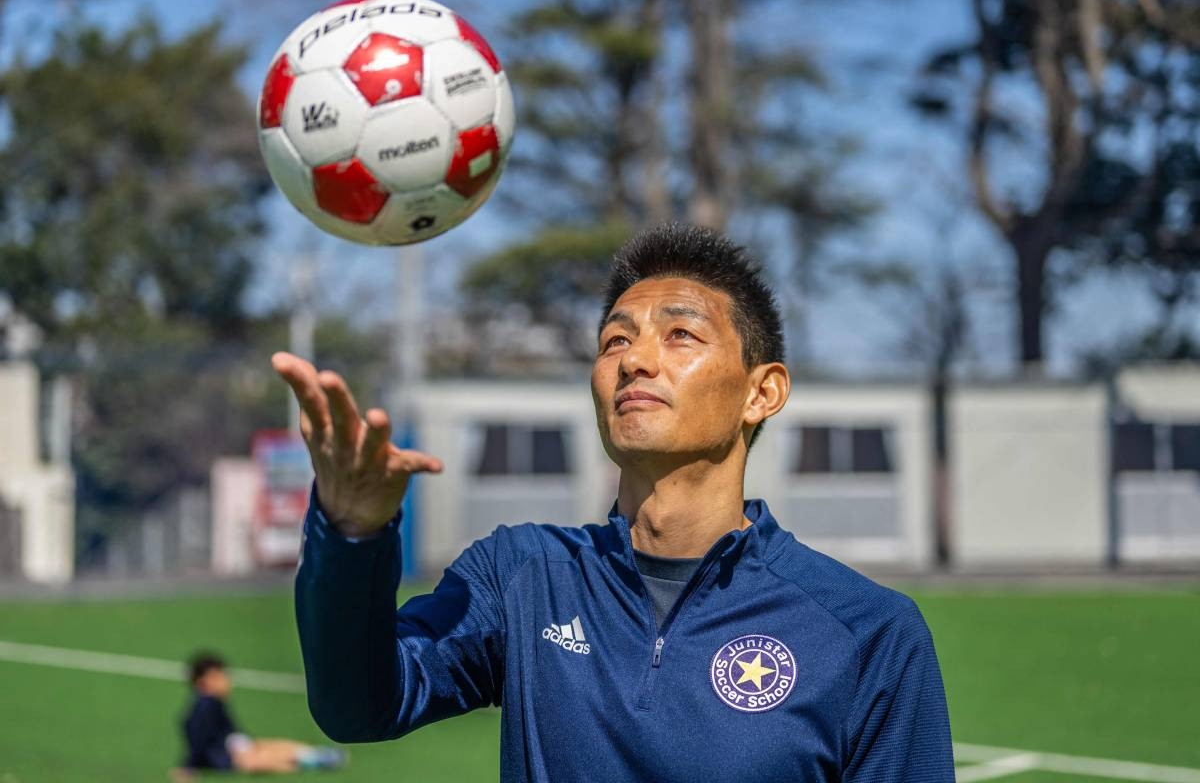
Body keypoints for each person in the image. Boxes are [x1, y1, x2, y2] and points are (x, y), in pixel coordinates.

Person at [274, 222, 955, 781]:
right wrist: (353, 534)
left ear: (762, 392)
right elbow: (357, 707)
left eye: (681, 334)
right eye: (615, 340)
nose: (636, 360)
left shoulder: (868, 632)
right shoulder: (522, 575)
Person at [178, 651, 346, 775]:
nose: (227, 680)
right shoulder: (206, 705)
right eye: (220, 677)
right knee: (260, 759)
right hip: (225, 755)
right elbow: (197, 737)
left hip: (234, 746)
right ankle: (312, 760)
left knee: (270, 746)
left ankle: (314, 755)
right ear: (203, 682)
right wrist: (189, 766)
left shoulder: (213, 703)